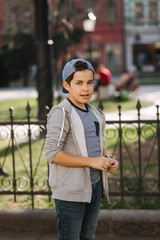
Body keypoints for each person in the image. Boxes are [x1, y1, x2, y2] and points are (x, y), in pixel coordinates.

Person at [45, 58, 118, 240]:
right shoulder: (62, 112)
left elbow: (96, 147)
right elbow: (52, 153)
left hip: (94, 187)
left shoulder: (95, 113)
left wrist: (107, 159)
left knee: (88, 237)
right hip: (70, 192)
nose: (85, 88)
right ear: (66, 85)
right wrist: (91, 162)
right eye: (79, 83)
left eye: (89, 82)